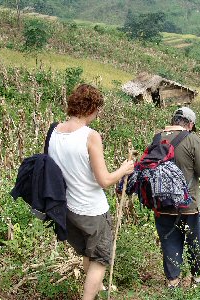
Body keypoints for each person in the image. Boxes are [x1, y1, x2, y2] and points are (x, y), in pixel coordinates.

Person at [48, 84, 135, 300]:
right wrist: (124, 169)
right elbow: (104, 180)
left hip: (67, 208)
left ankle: (96, 290)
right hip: (91, 210)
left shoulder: (54, 132)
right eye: (97, 110)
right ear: (91, 108)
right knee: (100, 260)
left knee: (89, 252)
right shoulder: (90, 136)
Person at [152, 107, 200, 288]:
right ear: (190, 124)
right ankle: (198, 279)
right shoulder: (192, 139)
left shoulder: (157, 138)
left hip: (162, 204)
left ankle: (173, 281)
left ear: (174, 120)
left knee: (169, 241)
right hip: (189, 205)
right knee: (194, 241)